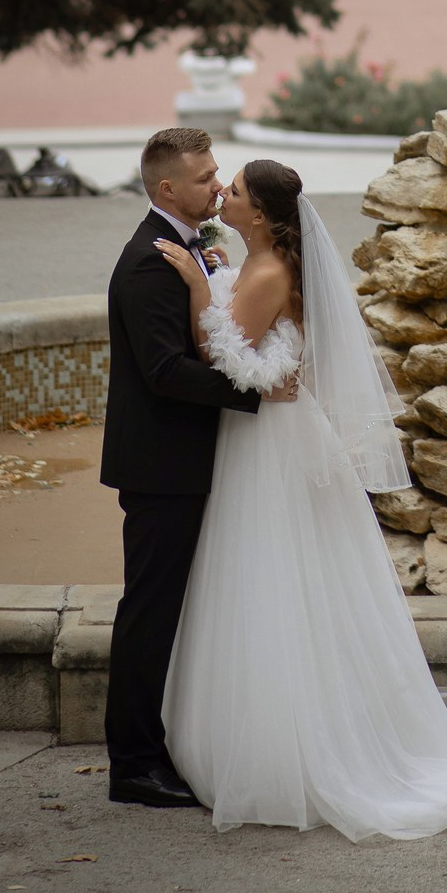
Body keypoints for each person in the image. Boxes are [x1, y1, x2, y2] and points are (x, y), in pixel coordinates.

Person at [153, 155, 447, 837]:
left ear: (258, 213)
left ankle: (282, 749)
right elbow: (262, 339)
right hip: (283, 435)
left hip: (266, 447)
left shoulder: (265, 271)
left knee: (269, 576)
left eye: (232, 191)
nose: (222, 195)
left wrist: (199, 291)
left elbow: (227, 361)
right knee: (301, 578)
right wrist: (216, 274)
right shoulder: (262, 264)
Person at [100, 126, 294, 809]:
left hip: (181, 461)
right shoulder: (151, 262)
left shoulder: (189, 248)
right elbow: (163, 372)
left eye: (221, 175)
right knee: (148, 614)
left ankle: (155, 749)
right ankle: (133, 765)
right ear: (167, 190)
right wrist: (254, 389)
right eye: (207, 177)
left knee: (162, 611)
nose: (217, 184)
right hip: (160, 466)